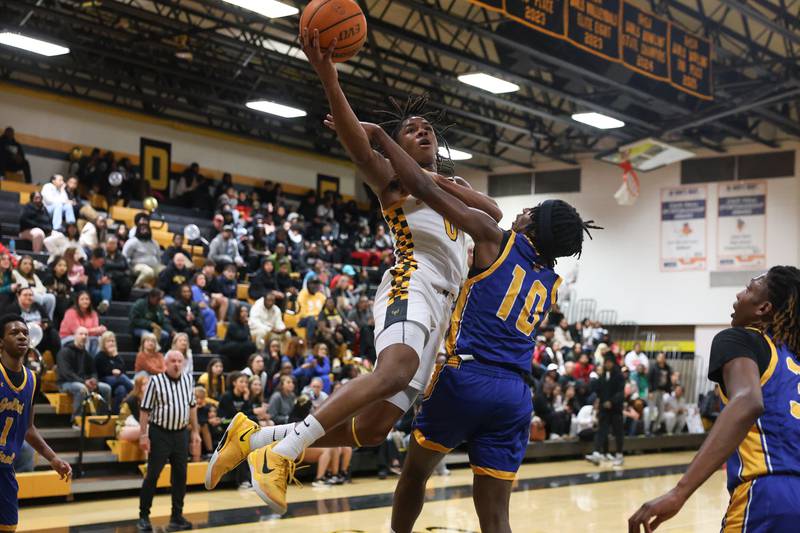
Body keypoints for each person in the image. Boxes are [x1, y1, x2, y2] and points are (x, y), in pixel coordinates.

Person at [205, 33, 502, 509]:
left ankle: (251, 439)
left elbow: (492, 214)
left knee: (372, 429)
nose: (422, 131)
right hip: (413, 280)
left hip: (445, 310)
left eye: (427, 128)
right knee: (394, 369)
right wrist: (328, 75)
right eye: (411, 130)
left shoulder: (452, 186)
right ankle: (284, 454)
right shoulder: (391, 179)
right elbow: (355, 141)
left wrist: (432, 181)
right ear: (396, 146)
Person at [344, 126, 598, 532]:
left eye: (529, 210)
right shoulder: (550, 283)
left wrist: (382, 141)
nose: (522, 211)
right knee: (496, 518)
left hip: (468, 377)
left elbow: (423, 190)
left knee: (414, 475)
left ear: (531, 224)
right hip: (516, 394)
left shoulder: (492, 238)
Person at [629, 267, 800, 532]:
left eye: (748, 289)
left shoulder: (739, 339)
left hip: (767, 495)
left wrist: (680, 491)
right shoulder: (794, 361)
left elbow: (748, 401)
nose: (738, 294)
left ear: (763, 308)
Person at [0, 314, 71, 532]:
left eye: (25, 333)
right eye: (14, 332)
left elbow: (28, 428)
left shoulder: (31, 379)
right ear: (1, 342)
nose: (22, 336)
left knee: (9, 527)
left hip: (5, 469)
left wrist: (53, 458)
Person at [137, 350, 200, 532]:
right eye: (173, 360)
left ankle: (177, 516)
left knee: (180, 477)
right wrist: (143, 434)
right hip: (160, 433)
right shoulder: (155, 381)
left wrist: (195, 431)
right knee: (153, 475)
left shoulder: (188, 380)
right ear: (166, 363)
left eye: (180, 361)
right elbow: (144, 409)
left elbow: (192, 406)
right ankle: (143, 516)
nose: (177, 364)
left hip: (181, 434)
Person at [56, 327, 112, 424]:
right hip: (66, 383)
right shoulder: (64, 352)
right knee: (82, 388)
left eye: (86, 334)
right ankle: (76, 420)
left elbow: (93, 371)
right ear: (75, 336)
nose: (84, 337)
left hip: (84, 382)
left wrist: (94, 380)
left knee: (106, 388)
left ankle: (101, 418)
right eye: (81, 334)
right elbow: (67, 373)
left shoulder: (87, 355)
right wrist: (84, 382)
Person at [585, 353, 626, 466]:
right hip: (604, 409)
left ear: (613, 363)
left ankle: (619, 455)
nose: (607, 364)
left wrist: (612, 402)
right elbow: (597, 390)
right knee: (601, 430)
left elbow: (621, 393)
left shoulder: (619, 376)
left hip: (615, 409)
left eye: (609, 362)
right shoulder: (602, 375)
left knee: (618, 432)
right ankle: (597, 452)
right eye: (606, 362)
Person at [95, 331, 133, 414]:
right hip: (103, 380)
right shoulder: (100, 356)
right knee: (121, 378)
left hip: (116, 382)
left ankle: (115, 414)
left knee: (121, 390)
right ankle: (135, 392)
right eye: (108, 341)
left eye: (113, 341)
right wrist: (112, 370)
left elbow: (123, 370)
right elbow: (102, 371)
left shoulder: (117, 356)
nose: (111, 343)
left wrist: (116, 356)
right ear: (103, 343)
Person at [59, 291, 106, 356]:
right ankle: (83, 363)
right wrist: (97, 330)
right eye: (82, 299)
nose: (85, 301)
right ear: (77, 301)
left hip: (87, 337)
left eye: (87, 299)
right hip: (67, 337)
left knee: (99, 340)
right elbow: (77, 331)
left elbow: (96, 331)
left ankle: (93, 362)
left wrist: (99, 330)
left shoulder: (93, 313)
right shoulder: (71, 312)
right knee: (83, 338)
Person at [123, 217, 163, 288]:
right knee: (148, 272)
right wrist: (128, 267)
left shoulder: (154, 243)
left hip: (153, 266)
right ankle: (135, 288)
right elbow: (124, 256)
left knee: (165, 271)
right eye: (142, 230)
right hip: (136, 266)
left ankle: (156, 290)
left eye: (147, 230)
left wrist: (158, 264)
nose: (145, 231)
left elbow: (158, 257)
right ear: (138, 231)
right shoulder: (132, 242)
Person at [13, 255, 56, 320]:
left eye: (30, 264)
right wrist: (34, 291)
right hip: (25, 296)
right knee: (35, 296)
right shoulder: (15, 273)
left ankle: (48, 319)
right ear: (20, 265)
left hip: (39, 295)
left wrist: (35, 291)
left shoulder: (34, 276)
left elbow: (42, 289)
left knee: (51, 297)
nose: (27, 266)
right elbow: (23, 287)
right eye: (25, 263)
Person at [168, 284, 206, 354]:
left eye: (188, 291)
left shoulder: (195, 305)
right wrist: (190, 327)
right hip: (180, 330)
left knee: (196, 340)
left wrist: (194, 319)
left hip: (194, 332)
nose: (187, 294)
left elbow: (200, 319)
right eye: (184, 292)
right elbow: (177, 321)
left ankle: (204, 347)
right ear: (180, 293)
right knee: (189, 334)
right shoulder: (174, 305)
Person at [219, 305, 256, 370]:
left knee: (251, 345)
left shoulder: (245, 326)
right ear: (238, 313)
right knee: (248, 345)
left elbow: (248, 338)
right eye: (242, 311)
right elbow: (242, 336)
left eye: (246, 311)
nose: (244, 313)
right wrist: (247, 323)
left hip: (239, 347)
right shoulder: (233, 325)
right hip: (229, 347)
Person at [117, 375, 149, 442]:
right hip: (124, 429)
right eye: (144, 384)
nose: (147, 386)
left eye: (148, 384)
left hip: (140, 428)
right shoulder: (130, 401)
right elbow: (122, 421)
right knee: (148, 430)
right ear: (138, 387)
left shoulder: (151, 400)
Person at [647, 352, 673, 434]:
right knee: (651, 411)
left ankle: (655, 428)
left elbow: (668, 381)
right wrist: (650, 391)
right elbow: (649, 379)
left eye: (663, 357)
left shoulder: (667, 368)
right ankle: (648, 429)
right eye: (660, 357)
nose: (661, 358)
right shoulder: (653, 367)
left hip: (662, 392)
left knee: (661, 411)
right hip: (654, 391)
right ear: (657, 358)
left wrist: (669, 391)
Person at [104, 236, 132, 302]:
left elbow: (127, 269)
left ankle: (124, 304)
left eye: (114, 243)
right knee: (111, 286)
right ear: (106, 244)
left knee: (127, 284)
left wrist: (125, 274)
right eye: (110, 243)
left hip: (121, 277)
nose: (112, 245)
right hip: (109, 277)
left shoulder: (121, 256)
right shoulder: (102, 255)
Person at [84, 248, 112, 313]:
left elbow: (105, 277)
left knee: (107, 285)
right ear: (93, 259)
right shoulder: (86, 267)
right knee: (100, 294)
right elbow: (85, 283)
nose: (101, 264)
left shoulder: (101, 268)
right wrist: (99, 282)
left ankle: (105, 302)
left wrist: (105, 280)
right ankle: (105, 302)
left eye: (102, 262)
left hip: (100, 288)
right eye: (100, 262)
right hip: (91, 288)